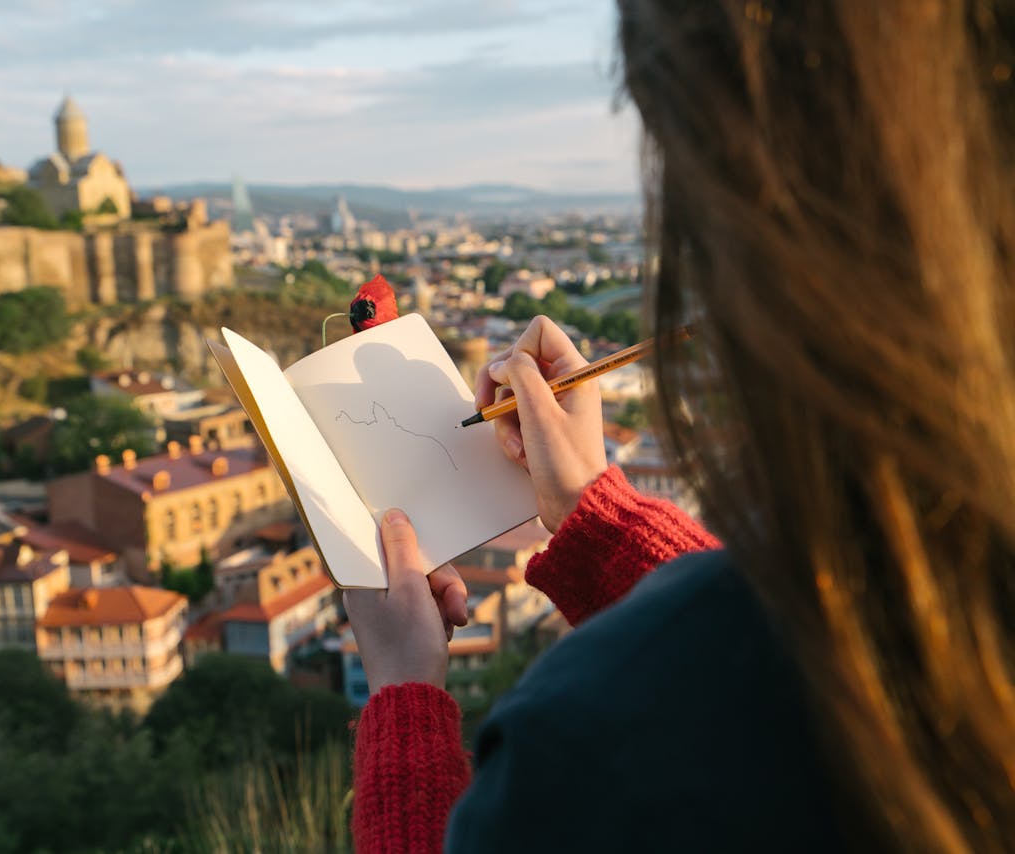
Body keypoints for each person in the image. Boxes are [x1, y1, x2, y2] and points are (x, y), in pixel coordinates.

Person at [344, 2, 1015, 852]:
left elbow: (769, 671)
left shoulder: (594, 753)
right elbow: (816, 648)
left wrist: (405, 694)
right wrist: (596, 514)